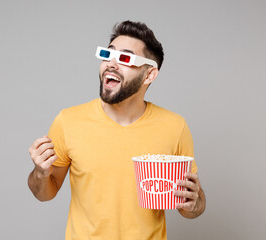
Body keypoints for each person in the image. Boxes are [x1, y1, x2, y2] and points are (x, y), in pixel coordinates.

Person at [28, 20, 206, 239]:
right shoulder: (68, 121)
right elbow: (44, 193)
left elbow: (190, 207)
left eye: (125, 58)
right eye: (107, 54)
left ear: (149, 75)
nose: (111, 64)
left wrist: (195, 202)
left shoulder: (174, 126)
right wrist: (40, 172)